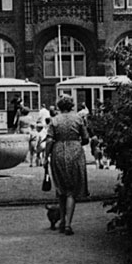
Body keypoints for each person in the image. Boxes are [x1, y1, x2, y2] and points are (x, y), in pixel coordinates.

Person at [43, 94, 90, 236]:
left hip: (58, 152)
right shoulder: (78, 119)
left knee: (61, 189)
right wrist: (76, 142)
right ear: (71, 105)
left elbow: (49, 140)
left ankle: (62, 221)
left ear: (59, 106)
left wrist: (46, 157)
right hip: (75, 152)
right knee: (71, 191)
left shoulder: (54, 120)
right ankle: (68, 223)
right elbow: (86, 138)